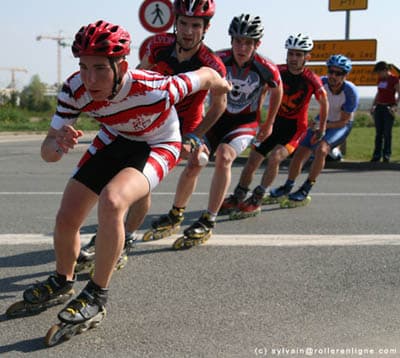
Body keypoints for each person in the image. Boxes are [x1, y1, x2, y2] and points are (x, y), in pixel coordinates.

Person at [7, 20, 230, 335]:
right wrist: (57, 145)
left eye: (99, 68)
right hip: (115, 138)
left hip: (159, 143)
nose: (90, 79)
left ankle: (97, 293)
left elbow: (206, 76)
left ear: (122, 66)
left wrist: (224, 86)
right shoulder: (74, 90)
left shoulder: (156, 86)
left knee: (113, 200)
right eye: (83, 67)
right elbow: (47, 151)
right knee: (67, 214)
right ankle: (62, 279)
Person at [76, 0, 227, 268]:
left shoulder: (210, 62)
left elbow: (219, 105)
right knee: (126, 181)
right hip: (147, 119)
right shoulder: (157, 45)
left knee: (140, 186)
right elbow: (137, 78)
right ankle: (114, 235)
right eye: (183, 23)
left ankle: (125, 237)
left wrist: (196, 135)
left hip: (178, 130)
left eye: (195, 25)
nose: (188, 31)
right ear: (175, 22)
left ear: (206, 28)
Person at [171, 13, 283, 249]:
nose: (242, 47)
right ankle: (176, 213)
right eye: (238, 41)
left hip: (244, 123)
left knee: (224, 156)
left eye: (248, 42)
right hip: (216, 119)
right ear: (231, 40)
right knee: (195, 162)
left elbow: (277, 88)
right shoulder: (217, 59)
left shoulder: (265, 67)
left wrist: (269, 122)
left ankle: (209, 219)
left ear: (257, 44)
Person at [225, 33, 328, 220]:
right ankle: (239, 194)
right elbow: (263, 90)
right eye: (291, 54)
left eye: (298, 55)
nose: (293, 59)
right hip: (275, 124)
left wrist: (321, 128)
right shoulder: (278, 70)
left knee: (275, 158)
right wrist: (260, 118)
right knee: (253, 159)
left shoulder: (311, 79)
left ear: (307, 57)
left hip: (295, 129)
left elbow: (324, 102)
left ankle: (258, 196)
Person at [272, 54, 359, 208]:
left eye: (338, 73)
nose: (333, 76)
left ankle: (306, 187)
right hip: (321, 121)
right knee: (300, 152)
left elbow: (344, 120)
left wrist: (322, 126)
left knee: (322, 149)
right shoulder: (321, 82)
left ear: (345, 75)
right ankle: (288, 185)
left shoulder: (350, 91)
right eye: (331, 71)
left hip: (340, 125)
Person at [369, 61, 399, 162]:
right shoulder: (380, 79)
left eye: (379, 72)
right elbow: (379, 93)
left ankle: (386, 155)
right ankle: (376, 155)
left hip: (388, 108)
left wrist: (395, 106)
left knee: (387, 133)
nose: (378, 74)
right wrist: (373, 105)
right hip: (379, 107)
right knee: (378, 133)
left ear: (385, 70)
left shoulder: (394, 79)